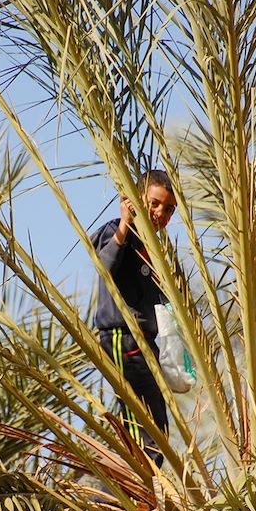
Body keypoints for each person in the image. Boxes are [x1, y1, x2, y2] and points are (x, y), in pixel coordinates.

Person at [90, 169, 177, 468]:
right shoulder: (116, 232)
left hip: (146, 344)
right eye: (154, 204)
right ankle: (135, 489)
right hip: (122, 339)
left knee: (155, 424)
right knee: (144, 428)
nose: (160, 213)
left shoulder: (155, 250)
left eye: (168, 209)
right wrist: (126, 223)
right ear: (135, 200)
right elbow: (104, 266)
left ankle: (141, 486)